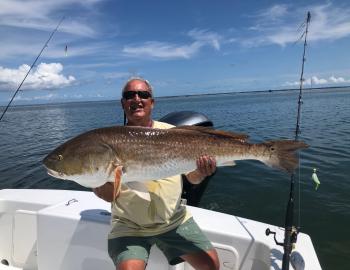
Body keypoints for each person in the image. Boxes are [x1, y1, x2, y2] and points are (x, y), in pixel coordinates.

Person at [93, 77, 219, 270]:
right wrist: (101, 183)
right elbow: (111, 195)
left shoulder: (174, 133)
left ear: (152, 102)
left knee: (211, 265)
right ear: (122, 103)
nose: (136, 99)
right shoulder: (109, 143)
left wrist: (201, 173)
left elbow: (191, 178)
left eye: (143, 94)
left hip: (173, 221)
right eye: (129, 95)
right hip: (130, 225)